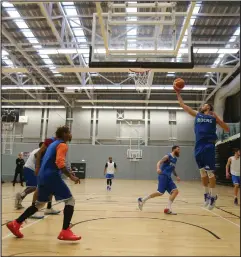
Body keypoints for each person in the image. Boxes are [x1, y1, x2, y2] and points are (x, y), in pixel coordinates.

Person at [6, 126, 81, 241]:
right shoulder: (62, 145)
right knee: (70, 201)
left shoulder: (52, 144)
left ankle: (16, 223)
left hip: (42, 176)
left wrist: (38, 168)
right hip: (52, 176)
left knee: (39, 204)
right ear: (64, 134)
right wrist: (71, 176)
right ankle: (65, 231)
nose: (70, 134)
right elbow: (60, 163)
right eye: (69, 132)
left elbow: (43, 156)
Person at [175, 82, 229, 210]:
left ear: (209, 108)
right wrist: (178, 94)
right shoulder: (197, 115)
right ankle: (206, 195)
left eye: (205, 104)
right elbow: (184, 106)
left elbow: (226, 129)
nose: (202, 105)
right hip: (198, 147)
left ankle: (213, 197)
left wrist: (217, 118)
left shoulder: (213, 118)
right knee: (202, 173)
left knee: (210, 173)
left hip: (208, 146)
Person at [14, 142, 60, 218]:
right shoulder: (39, 151)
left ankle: (48, 208)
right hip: (30, 169)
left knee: (49, 187)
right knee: (36, 187)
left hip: (34, 169)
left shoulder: (42, 151)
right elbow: (37, 158)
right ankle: (30, 209)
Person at [138, 146, 181, 214]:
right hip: (163, 175)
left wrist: (177, 176)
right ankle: (142, 200)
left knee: (175, 191)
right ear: (174, 149)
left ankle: (168, 209)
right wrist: (158, 168)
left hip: (169, 178)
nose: (179, 151)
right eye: (178, 149)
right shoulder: (167, 156)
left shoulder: (175, 159)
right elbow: (159, 162)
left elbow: (173, 169)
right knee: (160, 193)